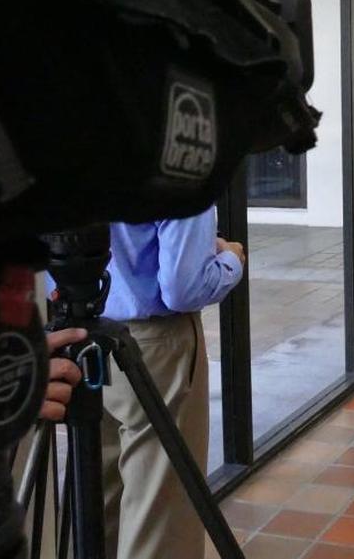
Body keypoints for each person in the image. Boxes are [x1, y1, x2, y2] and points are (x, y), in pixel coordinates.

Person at [99, 210, 245, 559]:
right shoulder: (179, 161)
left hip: (78, 334)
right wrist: (231, 258)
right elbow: (184, 287)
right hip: (155, 347)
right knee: (160, 510)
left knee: (96, 499)